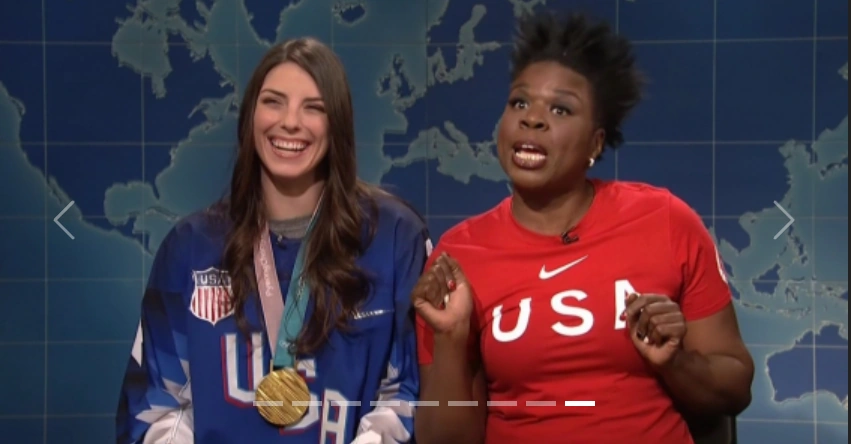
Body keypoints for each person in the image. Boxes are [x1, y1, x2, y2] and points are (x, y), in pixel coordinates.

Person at [412, 12, 755, 444]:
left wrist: (675, 363)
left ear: (595, 143)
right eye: (519, 103)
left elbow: (735, 387)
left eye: (560, 109)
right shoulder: (459, 256)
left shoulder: (665, 220)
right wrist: (450, 338)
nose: (532, 119)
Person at [116, 37, 428, 444]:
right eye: (273, 102)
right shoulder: (190, 246)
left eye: (313, 107)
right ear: (250, 115)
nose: (290, 122)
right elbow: (156, 404)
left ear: (337, 124)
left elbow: (409, 395)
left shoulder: (395, 238)